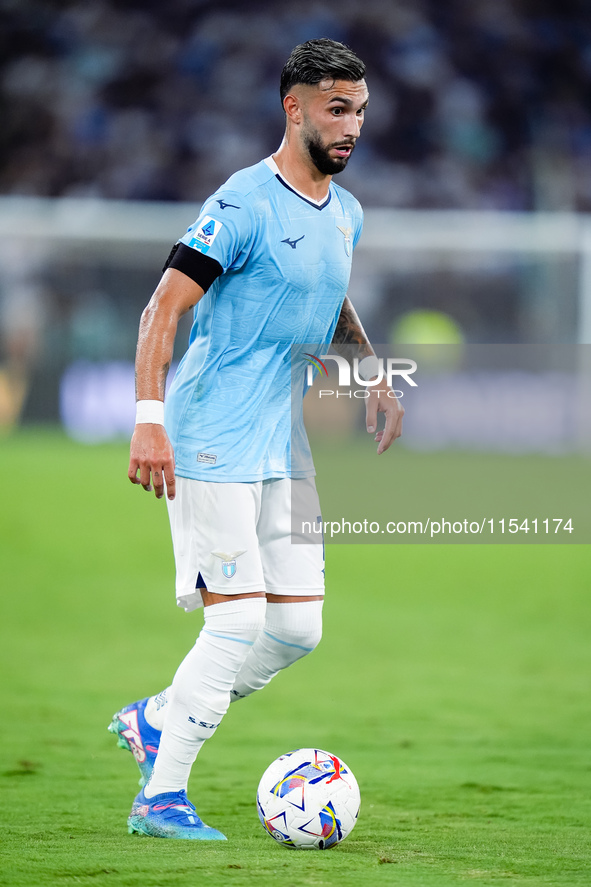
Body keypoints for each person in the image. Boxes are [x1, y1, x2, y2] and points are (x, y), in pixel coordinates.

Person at [109, 37, 404, 841]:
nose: (350, 126)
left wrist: (372, 372)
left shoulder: (345, 212)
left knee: (297, 629)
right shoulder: (241, 204)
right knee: (234, 621)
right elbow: (161, 309)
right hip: (209, 434)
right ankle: (159, 798)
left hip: (281, 443)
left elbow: (332, 300)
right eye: (336, 109)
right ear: (295, 107)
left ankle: (161, 716)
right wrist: (148, 419)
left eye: (359, 112)